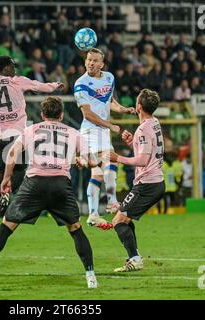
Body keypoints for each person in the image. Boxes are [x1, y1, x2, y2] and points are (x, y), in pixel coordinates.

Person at [0, 97, 99, 288]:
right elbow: (91, 161)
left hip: (34, 185)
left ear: (43, 115)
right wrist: (84, 162)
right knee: (76, 229)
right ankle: (91, 277)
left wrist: (6, 178)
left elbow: (12, 154)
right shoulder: (73, 133)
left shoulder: (31, 130)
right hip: (60, 185)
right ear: (61, 115)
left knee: (6, 227)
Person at [0, 55, 64, 233]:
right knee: (20, 171)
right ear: (6, 69)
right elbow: (38, 86)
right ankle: (9, 196)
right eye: (12, 66)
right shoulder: (17, 81)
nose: (14, 69)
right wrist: (55, 86)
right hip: (19, 138)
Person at [74, 48, 135, 227]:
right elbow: (87, 114)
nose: (90, 63)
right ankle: (111, 201)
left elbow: (107, 100)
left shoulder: (109, 77)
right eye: (88, 59)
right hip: (91, 129)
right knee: (112, 159)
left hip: (102, 131)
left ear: (102, 64)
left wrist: (122, 109)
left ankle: (93, 213)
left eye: (95, 60)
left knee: (98, 173)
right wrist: (111, 125)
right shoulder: (81, 83)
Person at [108, 89, 165, 272]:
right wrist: (133, 142)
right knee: (123, 218)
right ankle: (135, 257)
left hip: (147, 184)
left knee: (118, 221)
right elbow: (148, 150)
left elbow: (142, 160)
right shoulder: (154, 123)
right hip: (155, 181)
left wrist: (117, 158)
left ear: (138, 106)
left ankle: (135, 259)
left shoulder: (143, 129)